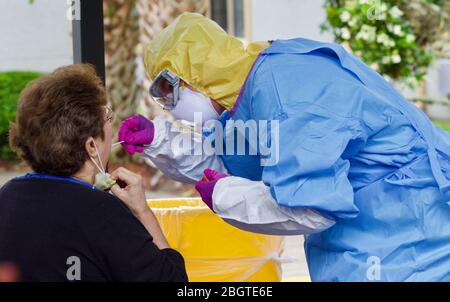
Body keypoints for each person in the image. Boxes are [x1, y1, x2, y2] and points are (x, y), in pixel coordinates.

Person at [118, 12, 450, 281]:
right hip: (364, 236)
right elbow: (229, 161)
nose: (169, 105)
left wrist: (225, 196)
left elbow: (312, 207)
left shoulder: (287, 91)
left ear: (199, 73)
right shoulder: (242, 96)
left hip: (409, 231)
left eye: (170, 90)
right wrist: (159, 141)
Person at [0, 64, 188, 282]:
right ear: (91, 146)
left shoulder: (7, 196)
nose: (112, 127)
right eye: (107, 117)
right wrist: (142, 212)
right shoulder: (104, 213)